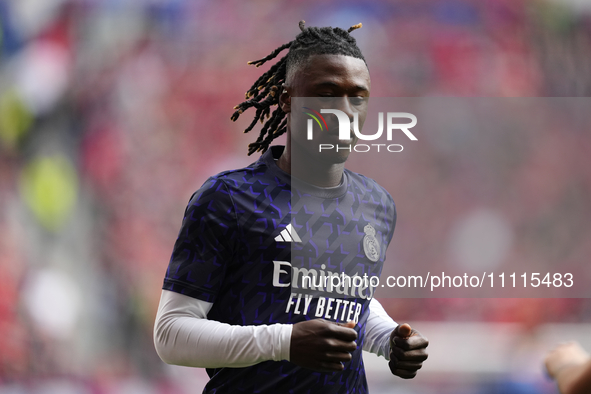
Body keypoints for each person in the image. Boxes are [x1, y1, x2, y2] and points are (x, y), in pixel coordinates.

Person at [154, 21, 428, 393]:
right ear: (287, 100)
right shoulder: (229, 199)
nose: (343, 112)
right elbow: (171, 334)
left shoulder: (376, 204)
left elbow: (348, 297)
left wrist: (387, 339)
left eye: (357, 97)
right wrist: (284, 343)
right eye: (326, 94)